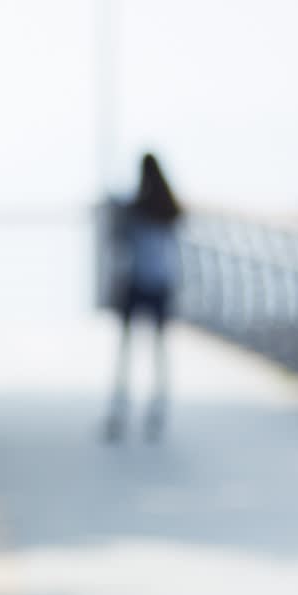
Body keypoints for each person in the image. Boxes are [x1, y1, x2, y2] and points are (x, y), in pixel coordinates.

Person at [103, 152, 184, 443]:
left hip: (137, 282)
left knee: (126, 348)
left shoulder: (135, 209)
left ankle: (120, 407)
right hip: (161, 282)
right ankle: (158, 407)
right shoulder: (169, 209)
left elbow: (118, 242)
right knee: (158, 348)